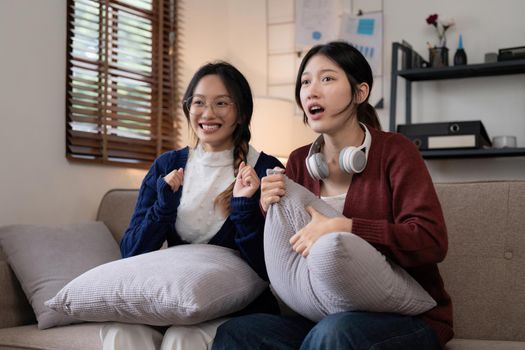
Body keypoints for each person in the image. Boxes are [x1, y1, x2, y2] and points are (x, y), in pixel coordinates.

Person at [212, 41, 453, 349]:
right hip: (321, 314)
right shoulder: (299, 161)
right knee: (237, 332)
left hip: (406, 320)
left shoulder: (396, 152)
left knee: (334, 333)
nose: (312, 91)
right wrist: (261, 209)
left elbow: (431, 242)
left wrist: (347, 227)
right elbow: (282, 261)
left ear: (360, 92)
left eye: (327, 78)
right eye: (305, 82)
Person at [100, 61, 282, 350]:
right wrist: (164, 207)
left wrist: (244, 207)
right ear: (188, 109)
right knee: (122, 332)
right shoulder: (167, 166)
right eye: (199, 103)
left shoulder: (265, 169)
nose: (208, 113)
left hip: (238, 307)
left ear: (242, 113)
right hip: (176, 300)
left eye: (221, 103)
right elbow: (131, 252)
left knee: (183, 338)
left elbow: (269, 265)